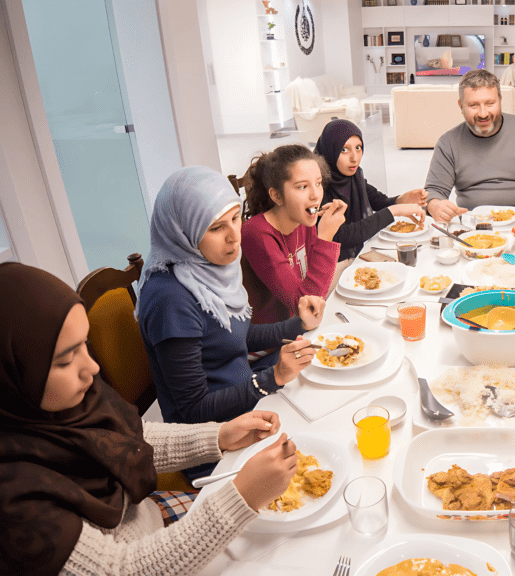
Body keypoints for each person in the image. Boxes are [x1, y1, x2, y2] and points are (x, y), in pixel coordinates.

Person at [0, 262, 298, 576]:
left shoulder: (60, 400)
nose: (92, 368)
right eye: (65, 360)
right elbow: (122, 569)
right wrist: (241, 498)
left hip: (148, 521)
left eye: (84, 345)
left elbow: (127, 437)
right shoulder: (13, 500)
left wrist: (219, 435)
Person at [137, 167, 322, 434]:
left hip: (245, 394)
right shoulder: (170, 300)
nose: (234, 236)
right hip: (215, 433)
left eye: (235, 218)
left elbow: (235, 336)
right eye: (216, 228)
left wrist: (299, 324)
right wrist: (272, 378)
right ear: (183, 232)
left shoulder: (209, 268)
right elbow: (193, 410)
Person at [424, 69, 515, 222]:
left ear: (500, 100)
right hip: (475, 225)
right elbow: (434, 191)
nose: (483, 114)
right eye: (473, 105)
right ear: (461, 106)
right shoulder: (448, 143)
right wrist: (435, 205)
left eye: (490, 103)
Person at [241, 144, 347, 324]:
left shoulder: (302, 219)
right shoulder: (256, 234)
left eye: (318, 183)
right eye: (303, 187)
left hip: (299, 325)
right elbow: (304, 306)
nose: (316, 195)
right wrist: (325, 239)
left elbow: (316, 286)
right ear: (276, 196)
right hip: (273, 336)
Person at [314, 119, 428, 262]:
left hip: (357, 256)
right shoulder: (317, 185)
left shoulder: (354, 176)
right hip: (330, 264)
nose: (354, 158)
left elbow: (377, 200)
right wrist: (394, 211)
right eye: (344, 150)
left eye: (358, 148)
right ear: (330, 150)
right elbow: (341, 236)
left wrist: (400, 200)